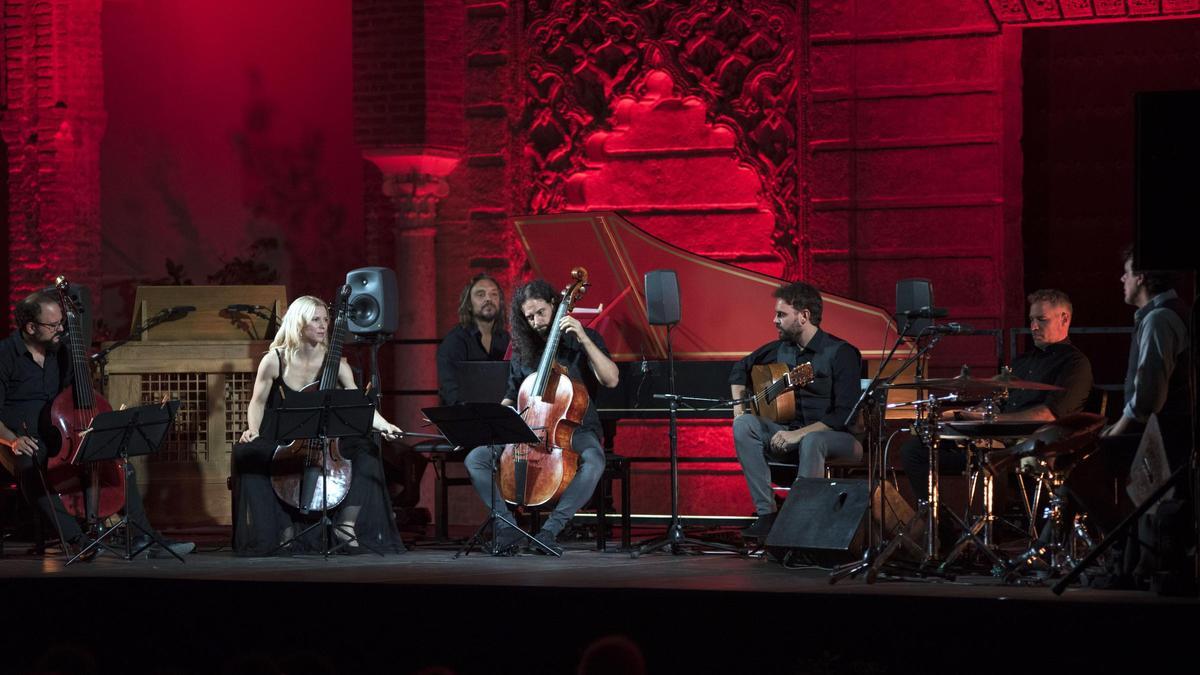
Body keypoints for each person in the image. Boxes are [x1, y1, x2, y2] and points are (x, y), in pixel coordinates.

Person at [0, 290, 193, 558]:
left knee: (121, 467)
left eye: (62, 324)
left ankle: (142, 538)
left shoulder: (62, 352)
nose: (60, 330)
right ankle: (78, 540)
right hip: (20, 437)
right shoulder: (5, 356)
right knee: (33, 470)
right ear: (31, 327)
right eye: (53, 325)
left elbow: (73, 401)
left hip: (62, 434)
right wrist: (11, 439)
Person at [232, 295, 406, 556]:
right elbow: (257, 402)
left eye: (326, 319)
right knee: (249, 454)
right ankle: (282, 528)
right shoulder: (274, 360)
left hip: (328, 438)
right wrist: (254, 429)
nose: (324, 325)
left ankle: (345, 525)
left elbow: (359, 407)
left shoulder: (337, 364)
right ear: (298, 323)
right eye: (316, 319)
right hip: (287, 436)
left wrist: (385, 425)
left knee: (367, 451)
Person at [463, 279, 619, 555]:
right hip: (526, 427)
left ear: (554, 305)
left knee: (595, 460)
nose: (535, 321)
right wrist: (493, 424)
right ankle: (507, 526)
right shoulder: (523, 348)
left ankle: (550, 531)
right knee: (475, 458)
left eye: (540, 313)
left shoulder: (586, 339)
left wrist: (582, 337)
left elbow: (611, 380)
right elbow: (512, 395)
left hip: (575, 428)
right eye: (529, 317)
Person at [900, 289, 1093, 503]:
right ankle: (940, 530)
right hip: (995, 443)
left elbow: (1049, 415)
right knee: (915, 450)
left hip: (1030, 450)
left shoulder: (1075, 364)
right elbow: (1001, 400)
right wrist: (972, 412)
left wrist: (990, 420)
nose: (1034, 327)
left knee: (987, 463)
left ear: (1064, 318)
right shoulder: (1024, 360)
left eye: (1041, 319)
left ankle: (992, 527)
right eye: (1031, 320)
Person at [731, 281, 865, 539]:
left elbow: (843, 414)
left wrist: (798, 434)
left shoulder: (841, 353)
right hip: (790, 433)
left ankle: (801, 521)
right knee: (744, 425)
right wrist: (740, 411)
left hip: (842, 439)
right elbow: (740, 369)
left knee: (812, 440)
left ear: (803, 316)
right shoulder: (780, 350)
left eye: (781, 314)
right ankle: (767, 514)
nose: (774, 320)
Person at [436, 273, 510, 405]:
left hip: (498, 416)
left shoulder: (505, 339)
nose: (488, 299)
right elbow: (451, 392)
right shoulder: (455, 341)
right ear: (469, 304)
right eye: (481, 294)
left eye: (494, 294)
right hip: (463, 418)